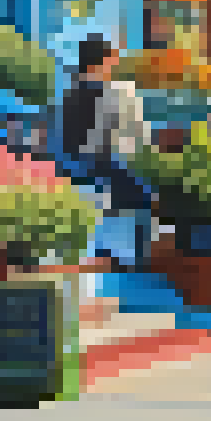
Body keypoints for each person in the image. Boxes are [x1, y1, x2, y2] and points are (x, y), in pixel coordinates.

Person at [63, 35, 153, 268]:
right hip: (95, 167)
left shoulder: (73, 91)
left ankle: (119, 253)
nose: (113, 68)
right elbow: (103, 142)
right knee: (144, 191)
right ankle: (135, 259)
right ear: (97, 64)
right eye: (110, 62)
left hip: (85, 166)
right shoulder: (104, 93)